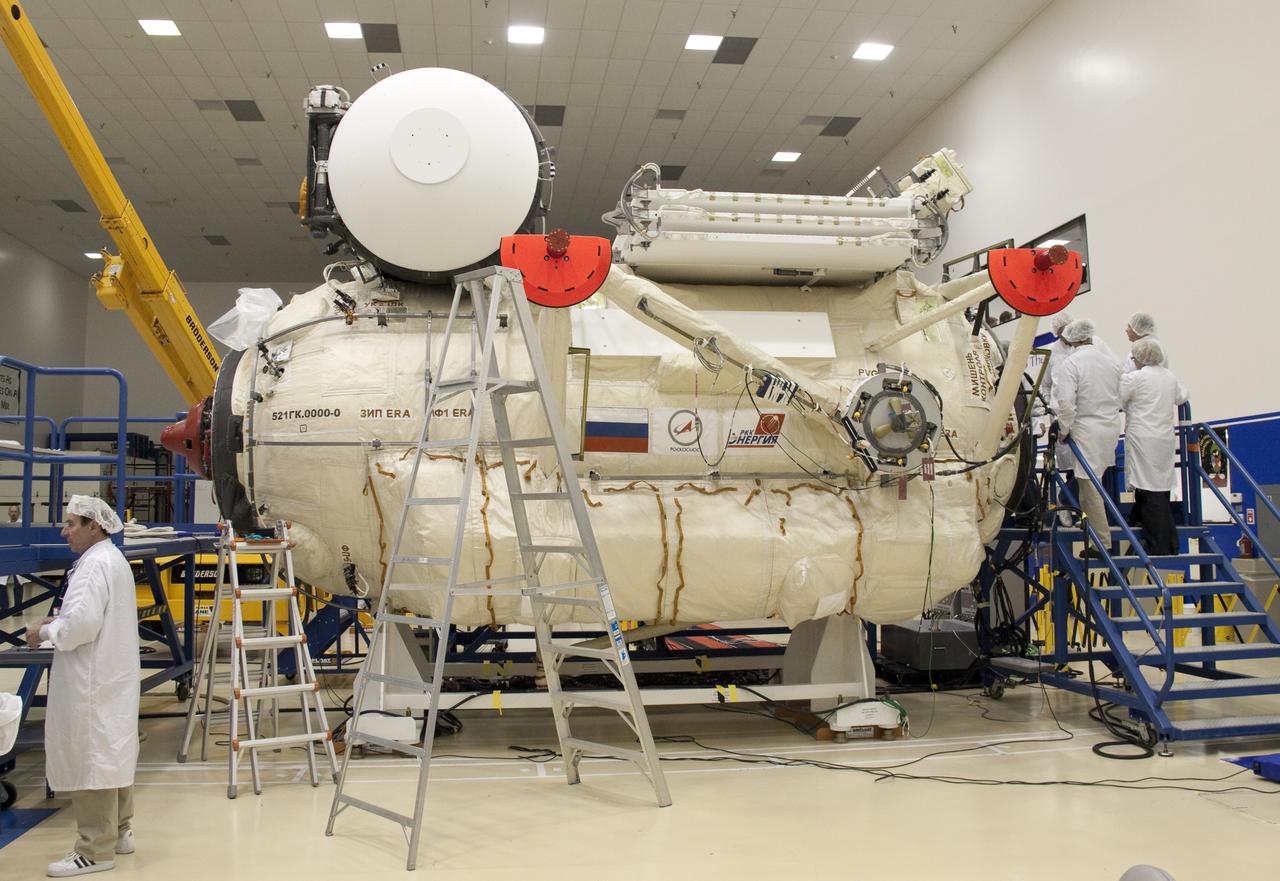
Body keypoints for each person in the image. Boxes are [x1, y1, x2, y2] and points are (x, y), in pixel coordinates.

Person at [24, 496, 138, 877]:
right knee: (111, 751)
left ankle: (94, 849)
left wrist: (44, 631)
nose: (64, 531)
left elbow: (79, 628)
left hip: (91, 680)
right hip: (109, 677)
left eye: (71, 523)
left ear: (94, 525)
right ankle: (120, 831)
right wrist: (62, 619)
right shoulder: (111, 559)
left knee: (92, 759)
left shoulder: (93, 566)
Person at [1051, 319, 1123, 555]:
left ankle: (1102, 543)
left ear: (1071, 338)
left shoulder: (1071, 363)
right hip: (1111, 425)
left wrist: (1063, 430)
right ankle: (1098, 533)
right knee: (1092, 482)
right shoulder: (1111, 362)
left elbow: (1066, 402)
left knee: (1089, 486)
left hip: (1086, 428)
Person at [1120, 339, 1188, 556]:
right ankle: (1169, 541)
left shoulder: (1135, 378)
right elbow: (1181, 397)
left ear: (1139, 357)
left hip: (1143, 437)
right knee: (1160, 487)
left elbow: (1117, 400)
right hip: (1164, 438)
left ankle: (1156, 544)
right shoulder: (1169, 377)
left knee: (1149, 490)